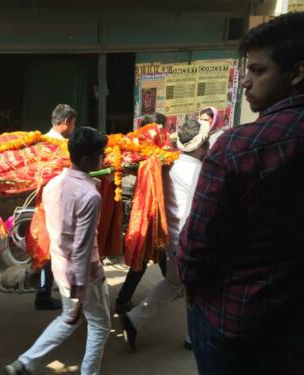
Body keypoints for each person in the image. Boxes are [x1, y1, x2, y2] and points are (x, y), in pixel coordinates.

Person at [177, 12, 304, 375]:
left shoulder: (238, 148)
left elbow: (197, 245)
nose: (246, 82)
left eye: (259, 71)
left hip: (236, 319)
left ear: (296, 73)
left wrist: (190, 287)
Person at [5, 127, 110, 375]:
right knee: (98, 326)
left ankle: (26, 362)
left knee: (68, 318)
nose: (102, 159)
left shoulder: (53, 184)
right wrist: (80, 292)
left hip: (60, 267)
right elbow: (83, 248)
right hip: (83, 274)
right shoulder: (89, 195)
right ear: (86, 159)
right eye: (100, 155)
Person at [119, 119, 210, 351]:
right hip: (191, 241)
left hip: (170, 236)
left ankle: (135, 319)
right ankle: (194, 337)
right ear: (201, 146)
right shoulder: (202, 171)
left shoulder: (168, 163)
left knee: (174, 283)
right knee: (197, 287)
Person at [115, 113, 168, 314]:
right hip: (146, 215)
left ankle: (173, 284)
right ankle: (123, 299)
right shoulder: (146, 157)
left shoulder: (151, 155)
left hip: (150, 215)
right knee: (144, 258)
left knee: (159, 254)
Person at [33, 103, 78, 311]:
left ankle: (45, 292)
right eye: (74, 124)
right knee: (55, 248)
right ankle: (47, 294)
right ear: (67, 122)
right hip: (56, 204)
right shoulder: (59, 147)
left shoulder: (41, 141)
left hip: (45, 202)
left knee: (48, 247)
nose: (74, 128)